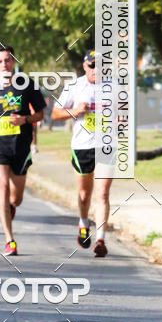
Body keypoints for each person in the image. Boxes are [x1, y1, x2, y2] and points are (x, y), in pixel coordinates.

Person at [0, 46, 45, 255]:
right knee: (2, 188)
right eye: (0, 61)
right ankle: (10, 240)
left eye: (7, 60)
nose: (4, 64)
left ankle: (11, 207)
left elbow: (41, 114)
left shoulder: (27, 85)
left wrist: (25, 119)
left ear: (13, 62)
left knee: (15, 198)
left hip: (21, 146)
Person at [51, 49, 110, 257]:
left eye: (100, 65)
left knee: (102, 193)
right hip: (82, 146)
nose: (96, 69)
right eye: (92, 65)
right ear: (85, 66)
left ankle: (101, 239)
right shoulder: (74, 86)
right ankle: (84, 222)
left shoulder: (113, 87)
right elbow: (55, 113)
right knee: (85, 194)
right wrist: (75, 111)